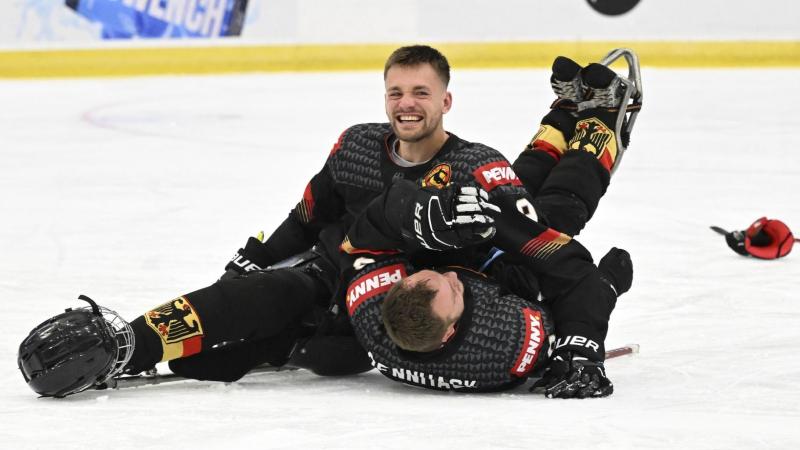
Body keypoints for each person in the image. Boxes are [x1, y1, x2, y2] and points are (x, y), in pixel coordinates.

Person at [17, 45, 635, 398]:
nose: (406, 105)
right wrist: (256, 260)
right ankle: (132, 345)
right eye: (396, 92)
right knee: (269, 292)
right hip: (345, 265)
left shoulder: (477, 168)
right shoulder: (357, 146)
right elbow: (310, 209)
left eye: (420, 93)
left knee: (556, 205)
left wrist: (581, 329)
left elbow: (549, 250)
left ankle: (590, 113)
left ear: (445, 101)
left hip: (432, 275)